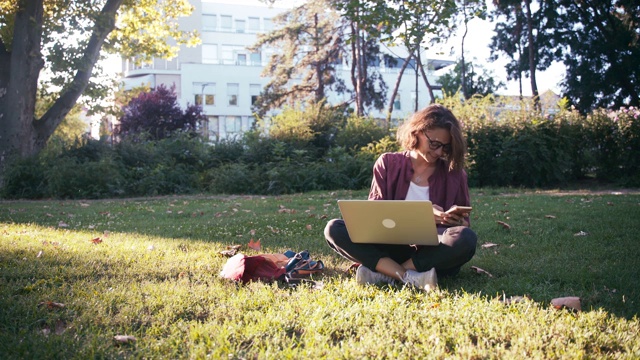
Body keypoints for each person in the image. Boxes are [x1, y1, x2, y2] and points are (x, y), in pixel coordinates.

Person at [324, 104, 477, 291]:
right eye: (435, 144)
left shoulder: (455, 174)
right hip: (390, 247)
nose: (438, 152)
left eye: (445, 147)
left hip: (430, 253)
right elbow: (375, 216)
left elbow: (463, 227)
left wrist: (455, 220)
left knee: (466, 239)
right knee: (334, 228)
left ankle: (384, 273)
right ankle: (409, 277)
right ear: (418, 132)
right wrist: (423, 215)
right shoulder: (388, 163)